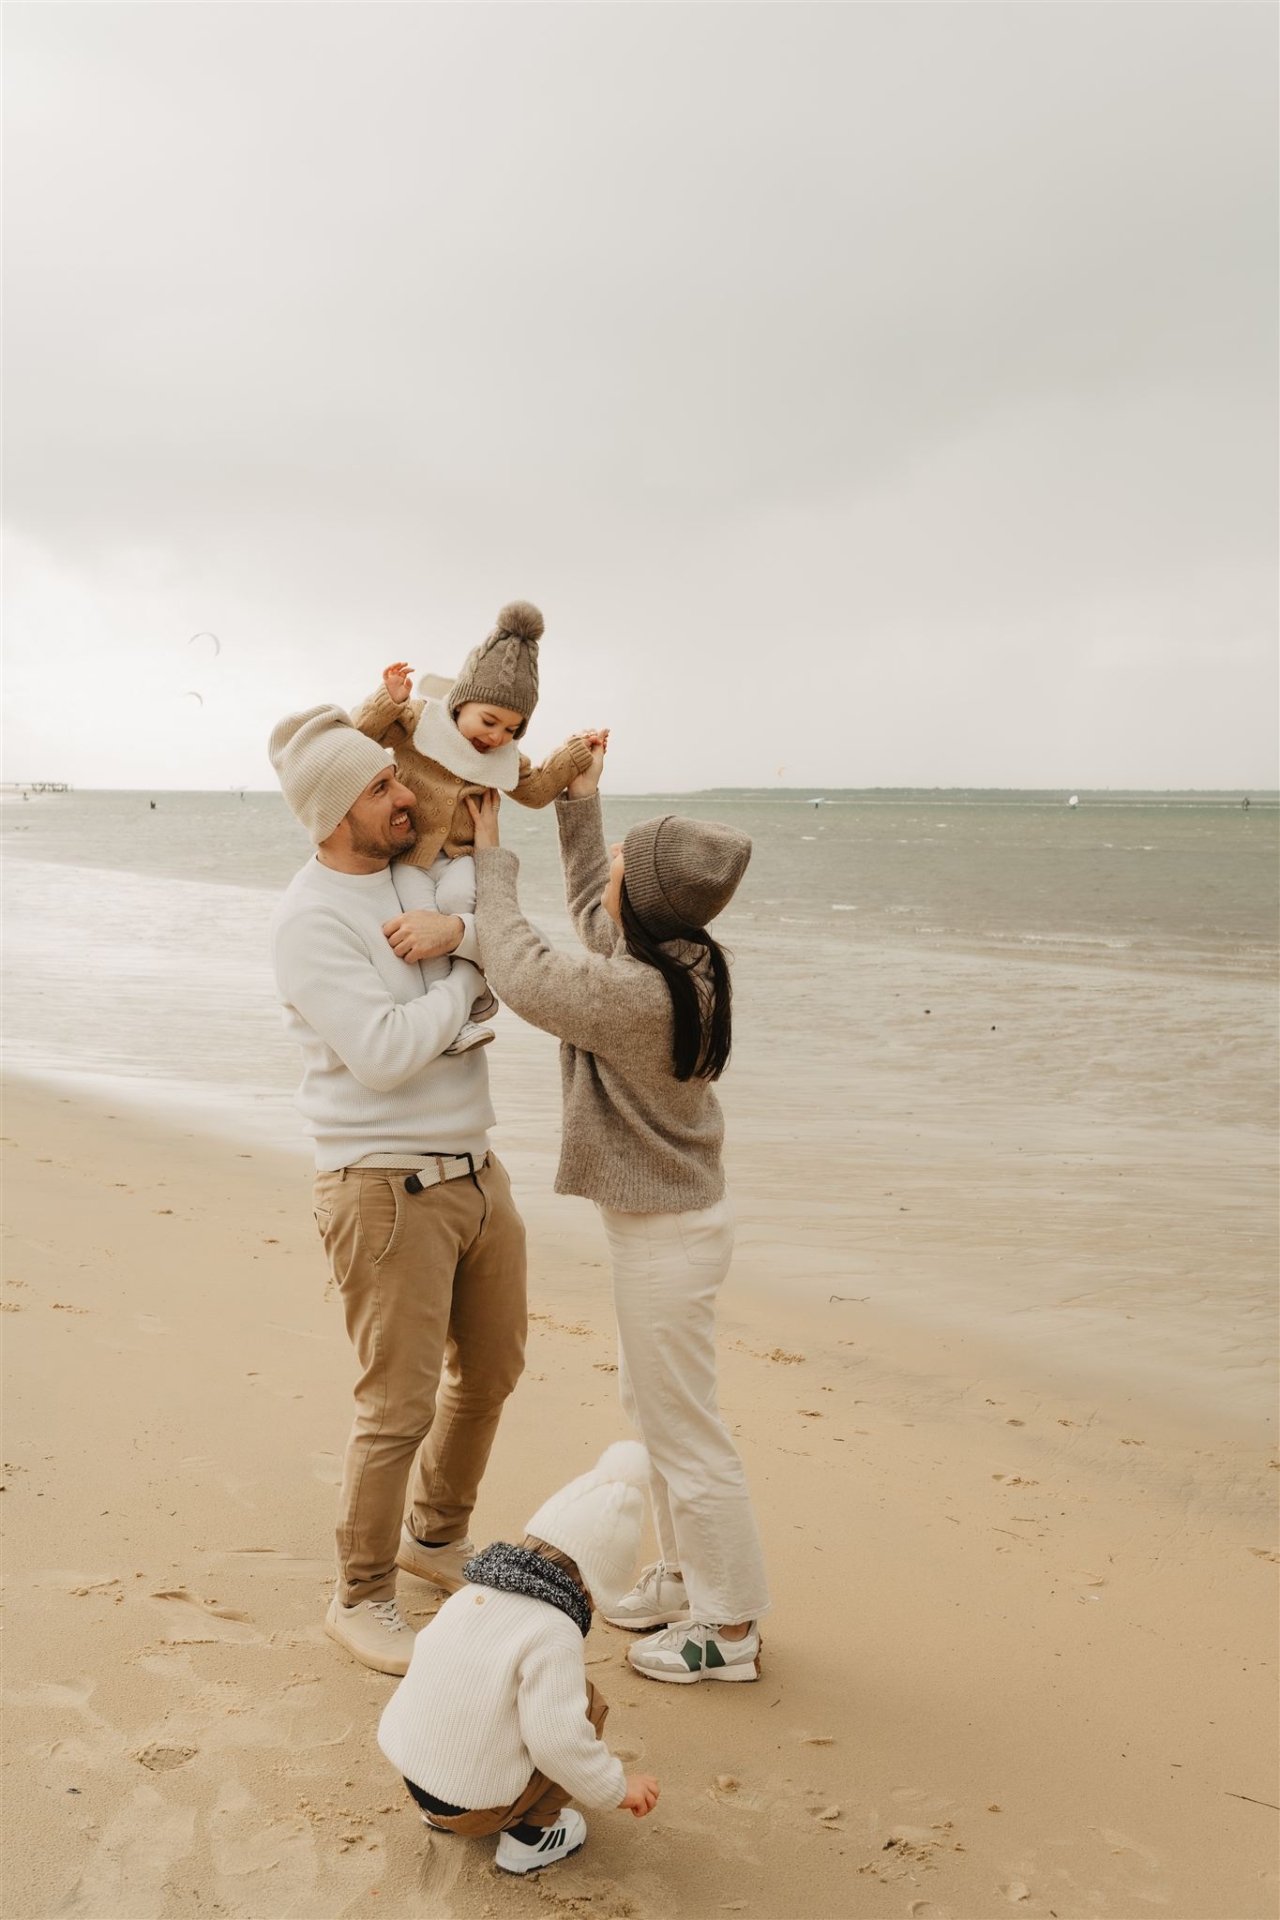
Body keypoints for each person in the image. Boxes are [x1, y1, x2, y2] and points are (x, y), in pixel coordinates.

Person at [464, 748, 770, 1685]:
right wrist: (581, 807)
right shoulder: (678, 959)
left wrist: (488, 856)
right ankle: (683, 1579)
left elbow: (522, 969)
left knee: (686, 1433)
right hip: (673, 1226)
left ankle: (730, 1628)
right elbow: (601, 904)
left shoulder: (631, 995)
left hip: (666, 1240)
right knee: (658, 1411)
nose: (619, 869)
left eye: (631, 857)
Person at [268, 705, 528, 1677]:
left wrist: (463, 939)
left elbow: (501, 948)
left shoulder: (410, 873)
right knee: (395, 1409)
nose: (405, 792)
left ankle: (434, 1539)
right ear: (338, 809)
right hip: (382, 1187)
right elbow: (380, 1054)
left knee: (492, 1373)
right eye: (381, 784)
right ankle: (360, 1595)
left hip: (475, 1169)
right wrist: (461, 980)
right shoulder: (307, 921)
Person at [378, 1441, 660, 1875]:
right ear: (592, 1586)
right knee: (585, 1704)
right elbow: (557, 1743)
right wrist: (616, 1787)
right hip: (476, 1808)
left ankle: (442, 1811)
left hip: (415, 1779)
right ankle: (530, 1840)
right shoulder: (553, 1631)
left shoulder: (470, 1593)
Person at [353, 599, 604, 1054]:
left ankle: (471, 999)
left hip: (462, 857)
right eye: (489, 721)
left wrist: (576, 753)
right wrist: (386, 698)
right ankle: (451, 1014)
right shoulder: (418, 722)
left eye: (512, 730)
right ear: (461, 702)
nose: (496, 738)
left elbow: (535, 790)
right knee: (416, 924)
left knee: (456, 907)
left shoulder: (503, 757)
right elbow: (361, 735)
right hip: (410, 856)